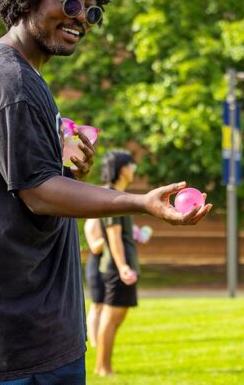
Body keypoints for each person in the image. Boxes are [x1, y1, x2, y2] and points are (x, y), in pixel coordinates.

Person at [0, 0, 212, 384]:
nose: (81, 16)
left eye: (90, 8)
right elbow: (39, 194)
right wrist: (140, 203)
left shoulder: (18, 75)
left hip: (28, 316)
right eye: (68, 1)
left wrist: (61, 166)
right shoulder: (10, 81)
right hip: (14, 321)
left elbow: (29, 181)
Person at [93, 150, 138, 376]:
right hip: (116, 268)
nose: (134, 171)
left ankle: (104, 366)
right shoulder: (112, 197)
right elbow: (113, 234)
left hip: (119, 267)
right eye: (132, 166)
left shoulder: (117, 195)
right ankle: (103, 368)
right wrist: (122, 267)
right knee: (111, 318)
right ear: (123, 169)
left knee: (116, 317)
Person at [83, 217, 105, 348]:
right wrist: (111, 234)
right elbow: (95, 247)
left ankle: (100, 339)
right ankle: (94, 341)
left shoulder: (102, 220)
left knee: (103, 306)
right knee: (97, 306)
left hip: (103, 266)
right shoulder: (92, 222)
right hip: (95, 268)